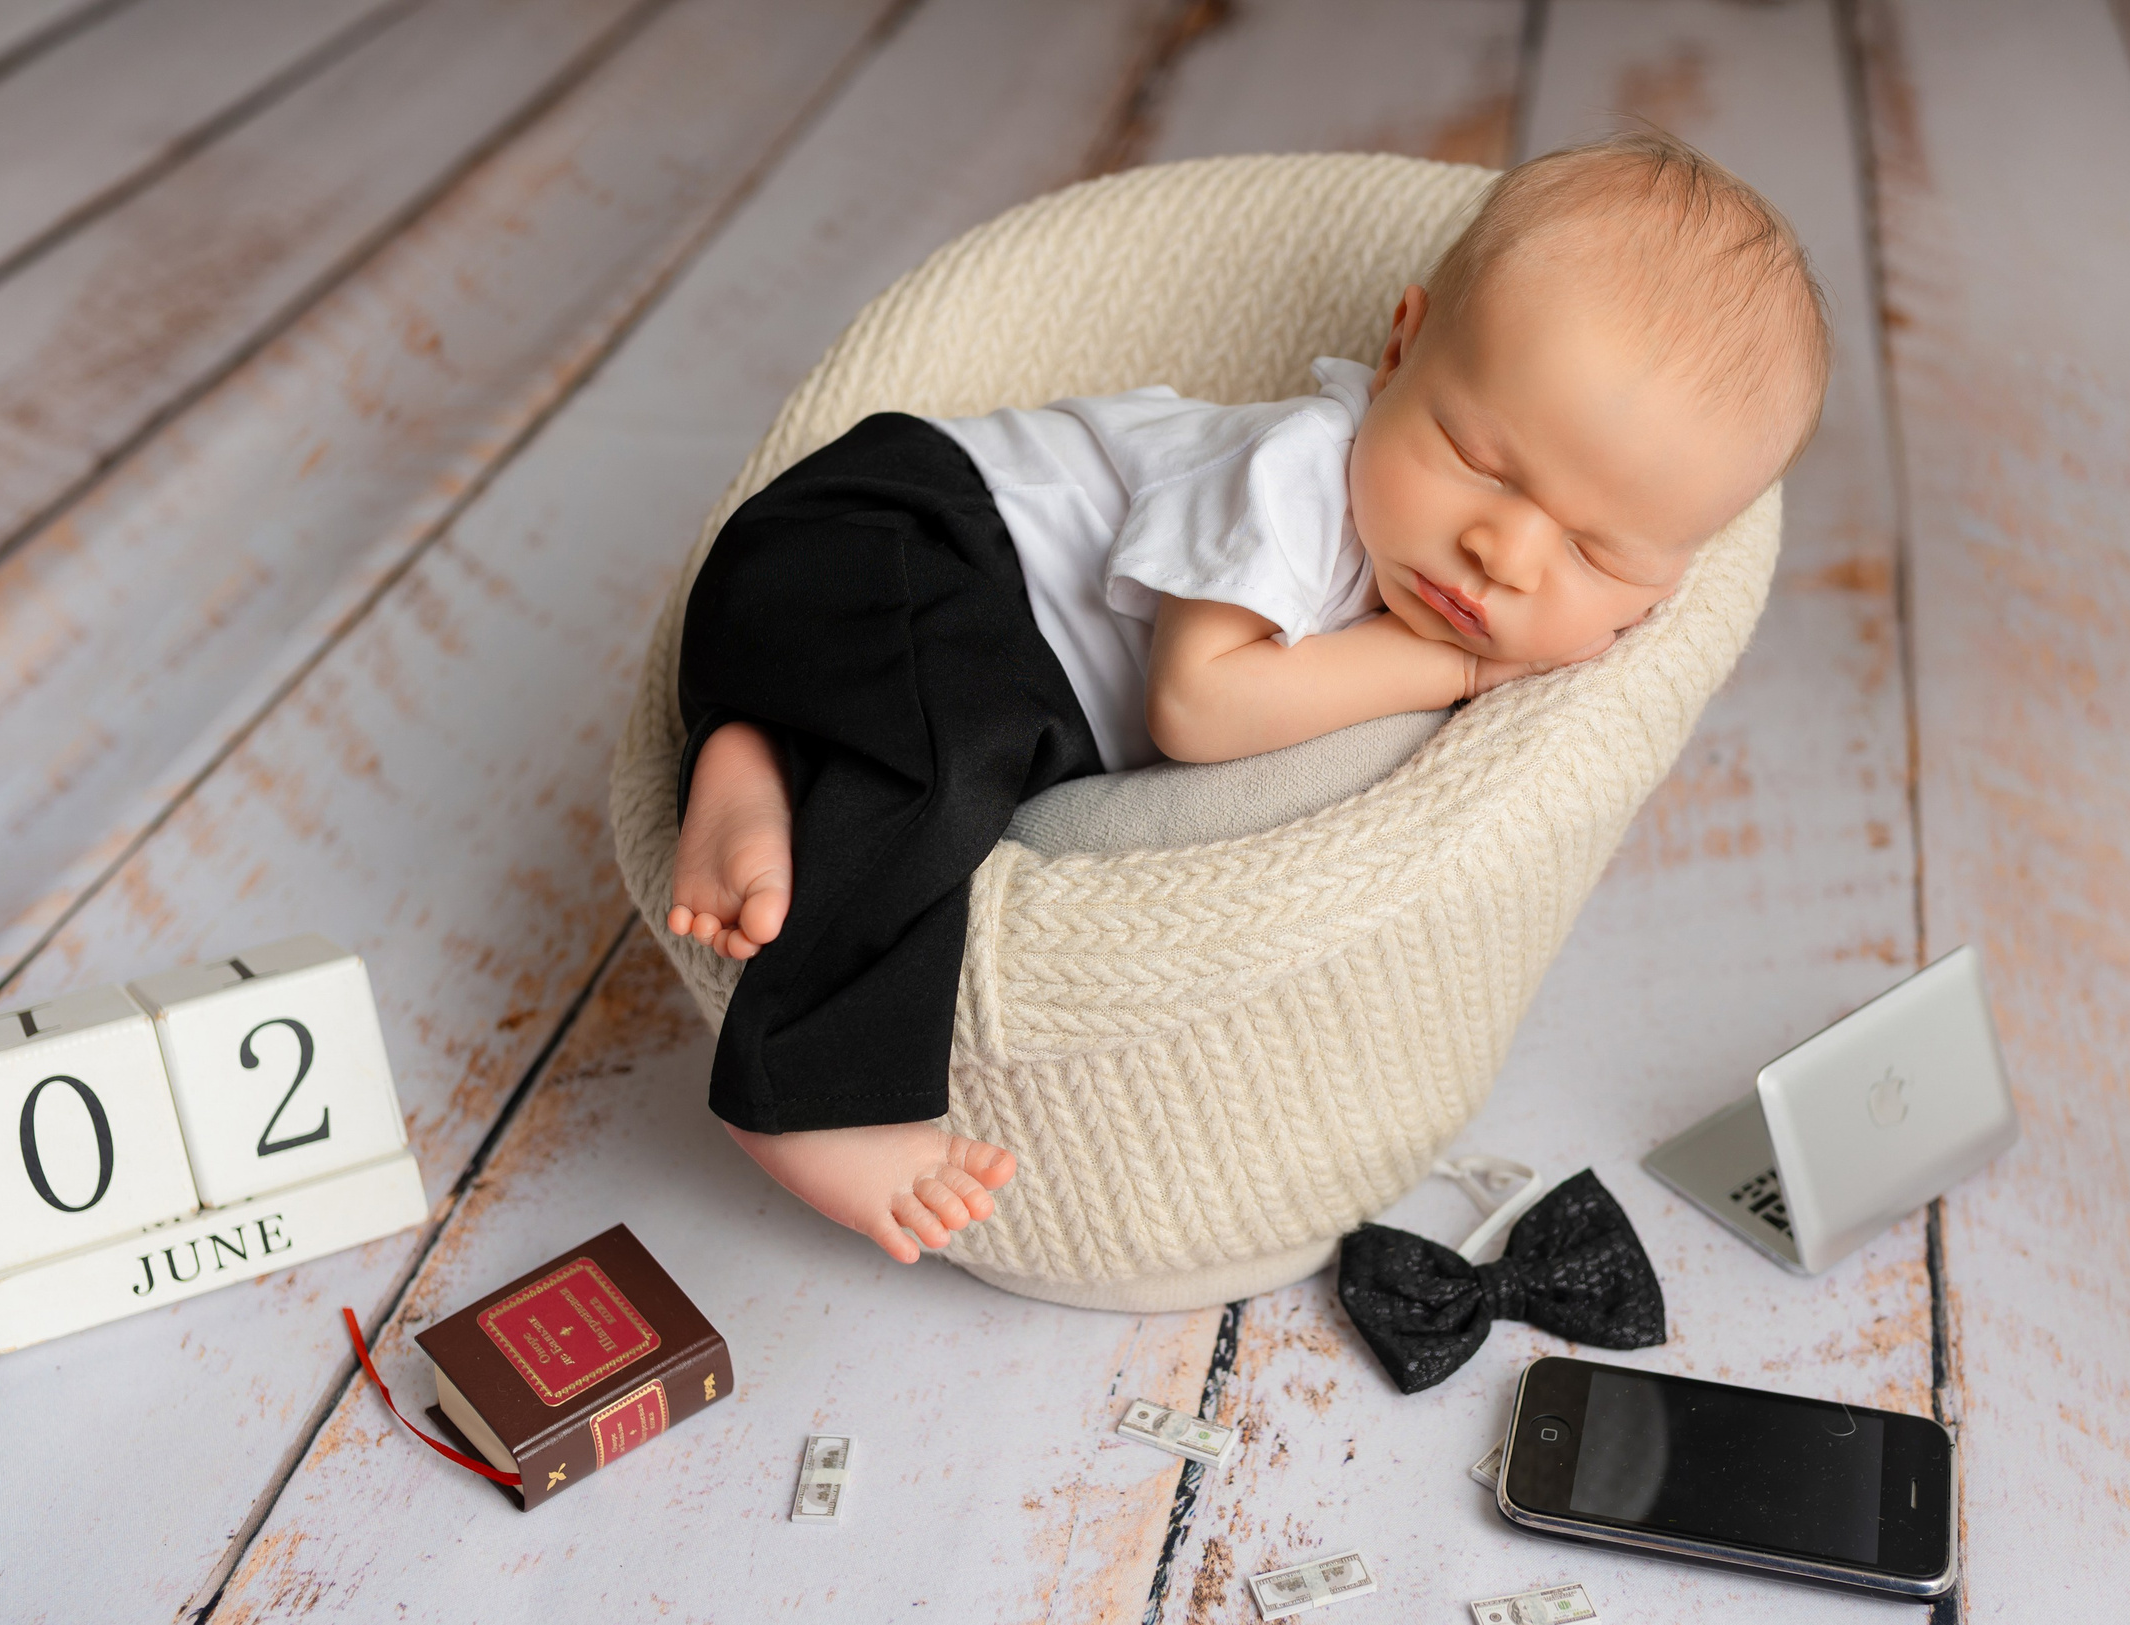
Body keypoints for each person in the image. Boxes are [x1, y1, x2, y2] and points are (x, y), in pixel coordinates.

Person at [665, 132, 1831, 1262]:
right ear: (1398, 351)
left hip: (910, 639)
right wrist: (1458, 669)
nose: (1504, 554)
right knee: (955, 759)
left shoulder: (1509, 560)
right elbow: (1196, 706)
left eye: (1594, 550)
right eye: (1480, 461)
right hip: (912, 531)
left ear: (1670, 578)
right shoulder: (1296, 477)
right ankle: (804, 1094)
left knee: (955, 742)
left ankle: (753, 754)